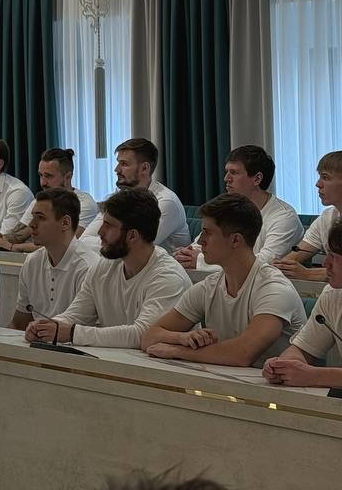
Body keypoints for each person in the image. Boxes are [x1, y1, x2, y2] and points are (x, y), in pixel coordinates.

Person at [141, 194, 306, 366]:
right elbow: (149, 337)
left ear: (235, 240)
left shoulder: (274, 289)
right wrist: (181, 338)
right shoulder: (208, 287)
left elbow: (243, 354)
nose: (201, 241)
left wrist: (177, 351)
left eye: (207, 233)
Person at [25, 188, 189, 349]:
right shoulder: (104, 266)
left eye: (108, 226)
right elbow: (77, 314)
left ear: (132, 235)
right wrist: (47, 326)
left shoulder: (168, 277)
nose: (100, 232)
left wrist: (73, 333)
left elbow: (143, 335)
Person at [174, 146, 303, 270]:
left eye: (234, 172)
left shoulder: (285, 218)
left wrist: (201, 262)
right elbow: (198, 246)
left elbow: (264, 263)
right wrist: (185, 255)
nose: (226, 178)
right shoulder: (228, 208)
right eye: (227, 172)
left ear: (257, 179)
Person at [263, 218, 342, 389]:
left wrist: (315, 376)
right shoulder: (333, 295)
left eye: (334, 256)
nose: (325, 263)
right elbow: (302, 350)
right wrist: (284, 366)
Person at [81, 138, 191, 253]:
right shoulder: (118, 197)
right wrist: (111, 242)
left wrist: (108, 242)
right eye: (118, 163)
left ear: (144, 168)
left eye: (124, 164)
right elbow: (84, 240)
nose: (116, 169)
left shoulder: (166, 202)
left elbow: (134, 248)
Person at [9, 188, 98, 330]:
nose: (31, 224)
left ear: (65, 223)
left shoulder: (88, 267)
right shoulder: (32, 262)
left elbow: (82, 330)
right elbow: (18, 323)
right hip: (39, 339)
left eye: (40, 217)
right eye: (33, 216)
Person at [0, 147, 98, 251]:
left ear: (68, 177)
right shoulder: (40, 201)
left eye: (49, 176)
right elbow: (18, 234)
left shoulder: (83, 204)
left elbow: (62, 245)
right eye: (41, 175)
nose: (43, 183)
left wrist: (12, 247)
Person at [273, 150, 342, 283]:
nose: (318, 184)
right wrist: (280, 267)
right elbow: (294, 257)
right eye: (319, 177)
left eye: (326, 177)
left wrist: (308, 273)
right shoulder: (327, 218)